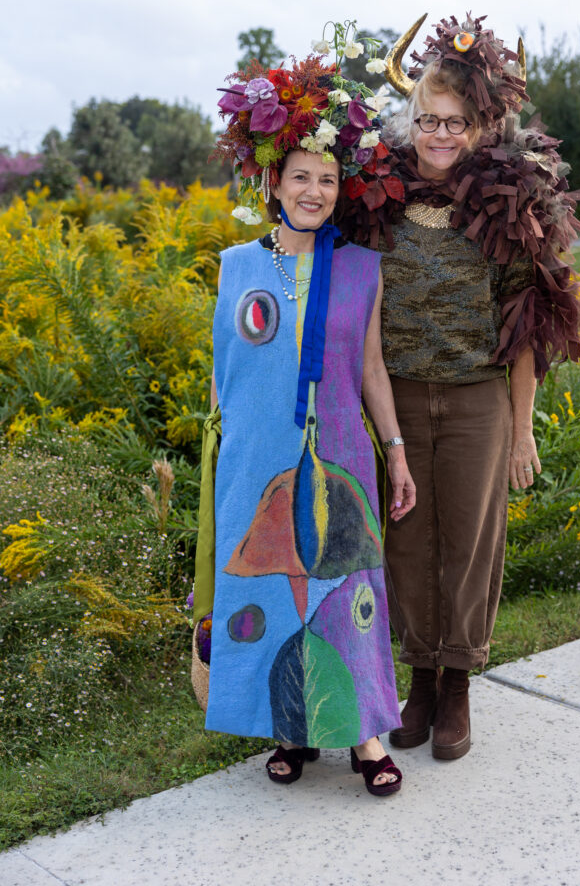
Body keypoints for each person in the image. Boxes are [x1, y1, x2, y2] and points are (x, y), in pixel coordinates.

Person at [339, 13, 580, 761]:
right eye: (427, 119)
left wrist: (522, 432)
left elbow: (526, 333)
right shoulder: (375, 199)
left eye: (455, 122)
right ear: (408, 119)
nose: (439, 135)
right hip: (397, 397)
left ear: (482, 126)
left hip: (479, 399)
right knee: (407, 541)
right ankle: (418, 678)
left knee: (473, 543)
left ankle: (457, 687)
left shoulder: (509, 208)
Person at [193, 46, 416, 797]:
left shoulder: (361, 269)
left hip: (341, 457)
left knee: (345, 588)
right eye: (300, 177)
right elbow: (224, 373)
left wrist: (396, 452)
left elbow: (372, 371)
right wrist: (219, 464)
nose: (314, 190)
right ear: (273, 184)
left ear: (338, 190)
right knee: (267, 587)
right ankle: (288, 726)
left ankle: (364, 733)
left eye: (326, 179)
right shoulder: (235, 267)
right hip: (256, 457)